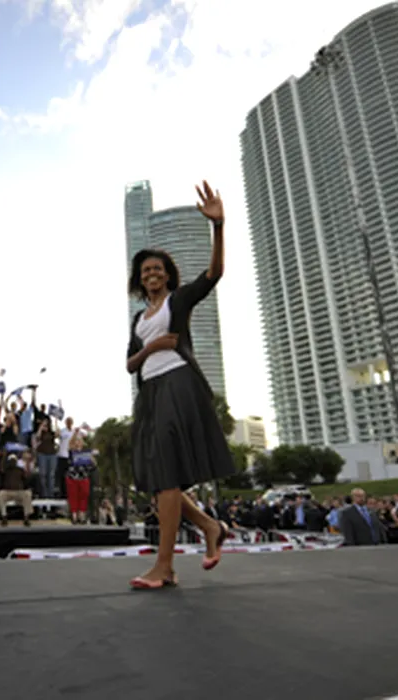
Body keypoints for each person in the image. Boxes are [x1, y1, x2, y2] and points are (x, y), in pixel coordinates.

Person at [125, 180, 234, 590]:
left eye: (158, 269)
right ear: (140, 280)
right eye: (146, 271)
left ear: (168, 275)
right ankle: (209, 526)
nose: (152, 273)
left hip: (178, 385)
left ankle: (164, 566)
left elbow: (214, 274)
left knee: (167, 476)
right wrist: (152, 346)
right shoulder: (139, 319)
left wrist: (218, 226)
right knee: (158, 482)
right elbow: (129, 363)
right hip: (149, 395)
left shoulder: (179, 300)